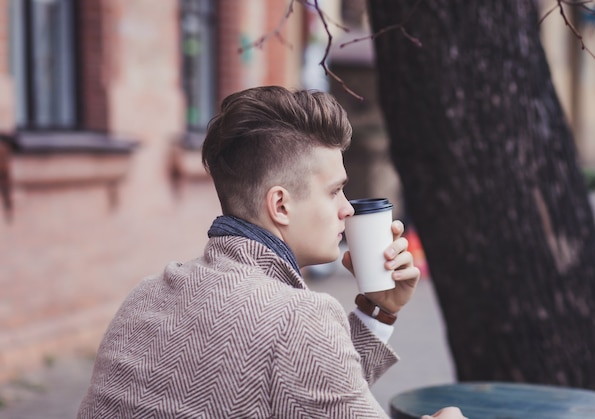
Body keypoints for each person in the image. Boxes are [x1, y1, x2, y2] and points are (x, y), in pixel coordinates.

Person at [77, 86, 463, 418]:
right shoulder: (301, 318)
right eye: (334, 191)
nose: (347, 208)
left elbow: (310, 394)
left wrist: (379, 310)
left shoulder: (146, 294)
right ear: (281, 205)